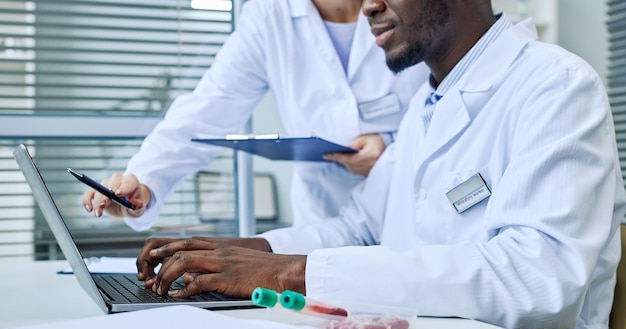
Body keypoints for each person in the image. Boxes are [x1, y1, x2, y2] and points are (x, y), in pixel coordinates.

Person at [134, 0, 626, 329]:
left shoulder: (556, 87)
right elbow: (359, 228)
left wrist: (290, 273)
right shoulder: (426, 106)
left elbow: (536, 283)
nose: (367, 7)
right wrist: (243, 253)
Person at [82, 0, 429, 229]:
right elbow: (206, 109)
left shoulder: (406, 6)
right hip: (324, 223)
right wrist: (143, 182)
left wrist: (393, 151)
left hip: (417, 212)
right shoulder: (269, 14)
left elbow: (453, 105)